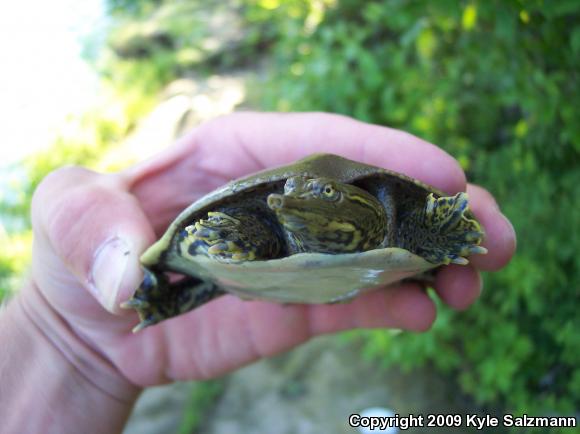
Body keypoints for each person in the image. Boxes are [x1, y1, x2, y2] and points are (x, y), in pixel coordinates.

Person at [0, 113, 516, 433]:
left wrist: (66, 346)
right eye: (289, 199)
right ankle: (165, 294)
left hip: (363, 271)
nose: (300, 201)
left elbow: (443, 223)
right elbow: (198, 242)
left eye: (326, 195)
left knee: (458, 230)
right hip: (241, 270)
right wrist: (62, 336)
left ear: (362, 203)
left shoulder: (398, 224)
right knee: (213, 246)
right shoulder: (262, 228)